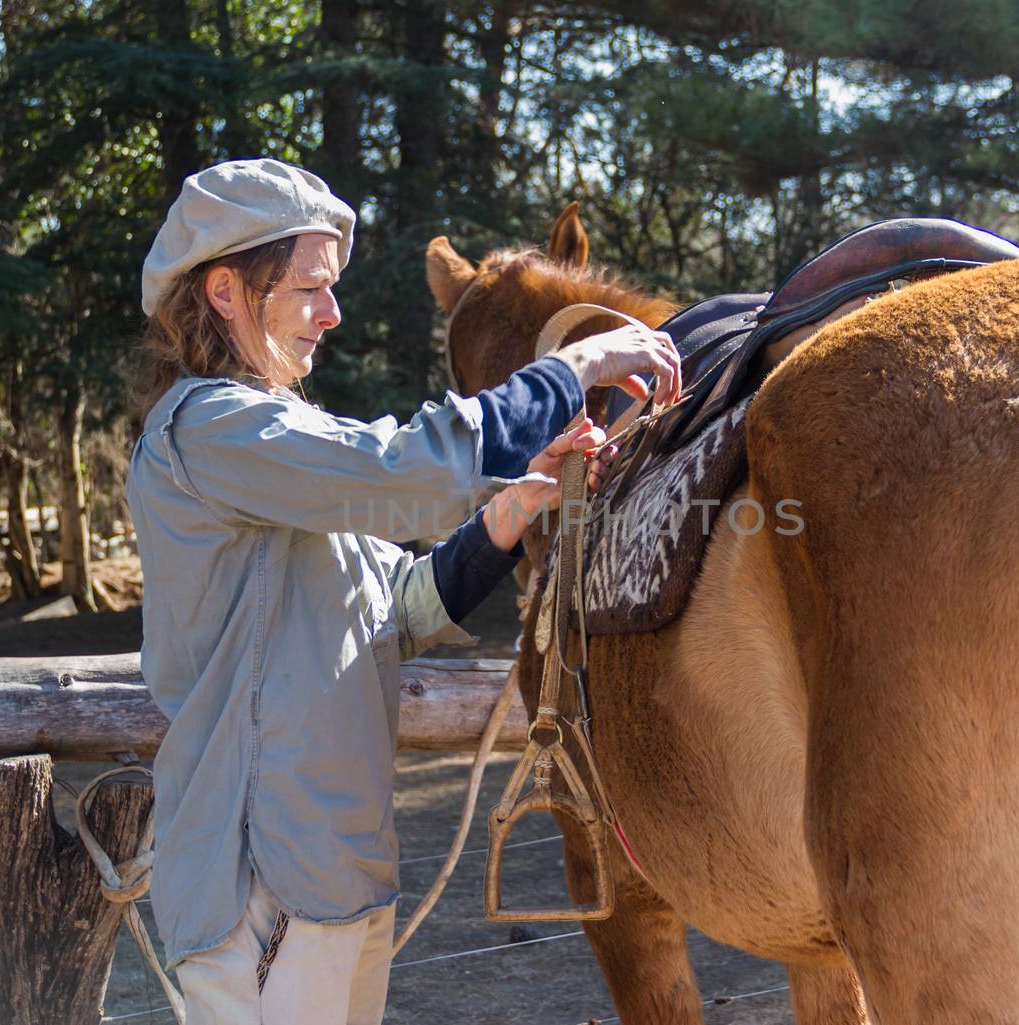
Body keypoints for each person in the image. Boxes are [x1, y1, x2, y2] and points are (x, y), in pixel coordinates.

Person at [126, 158, 681, 1025]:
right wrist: (575, 367)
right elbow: (401, 471)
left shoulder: (288, 443)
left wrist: (513, 509)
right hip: (259, 893)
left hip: (338, 877)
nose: (332, 312)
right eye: (309, 287)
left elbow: (397, 612)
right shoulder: (210, 426)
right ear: (226, 290)